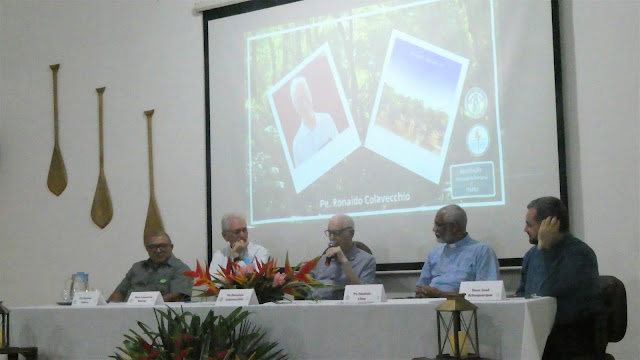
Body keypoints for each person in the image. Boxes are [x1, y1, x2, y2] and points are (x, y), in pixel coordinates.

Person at [516, 196, 602, 359]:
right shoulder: (531, 255)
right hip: (538, 336)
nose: (525, 229)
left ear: (549, 224)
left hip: (568, 339)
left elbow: (545, 293)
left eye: (529, 225)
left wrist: (545, 251)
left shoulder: (580, 254)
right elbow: (523, 295)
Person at [415, 204, 499, 298]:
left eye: (438, 225)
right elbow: (420, 288)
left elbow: (487, 295)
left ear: (454, 227)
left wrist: (441, 295)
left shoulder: (482, 251)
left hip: (463, 310)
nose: (434, 229)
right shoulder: (434, 253)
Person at [108, 231, 192, 302]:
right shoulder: (137, 267)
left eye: (163, 246)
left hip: (159, 317)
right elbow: (119, 293)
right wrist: (110, 310)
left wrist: (145, 304)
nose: (158, 250)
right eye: (153, 247)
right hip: (127, 315)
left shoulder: (182, 269)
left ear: (171, 247)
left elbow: (177, 297)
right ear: (147, 249)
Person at [311, 214, 376, 300]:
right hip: (316, 308)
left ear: (351, 233)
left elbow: (362, 295)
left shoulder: (367, 260)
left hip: (346, 310)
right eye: (329, 233)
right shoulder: (323, 259)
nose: (331, 238)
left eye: (336, 233)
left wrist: (344, 261)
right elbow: (309, 287)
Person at [290, 76, 338, 167]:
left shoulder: (327, 120)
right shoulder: (297, 144)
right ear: (295, 106)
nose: (303, 103)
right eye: (298, 100)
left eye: (304, 96)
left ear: (310, 95)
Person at [209, 214, 269, 278]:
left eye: (244, 230)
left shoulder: (260, 252)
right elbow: (215, 282)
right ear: (225, 236)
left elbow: (254, 280)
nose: (242, 235)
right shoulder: (219, 255)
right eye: (237, 232)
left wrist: (236, 257)